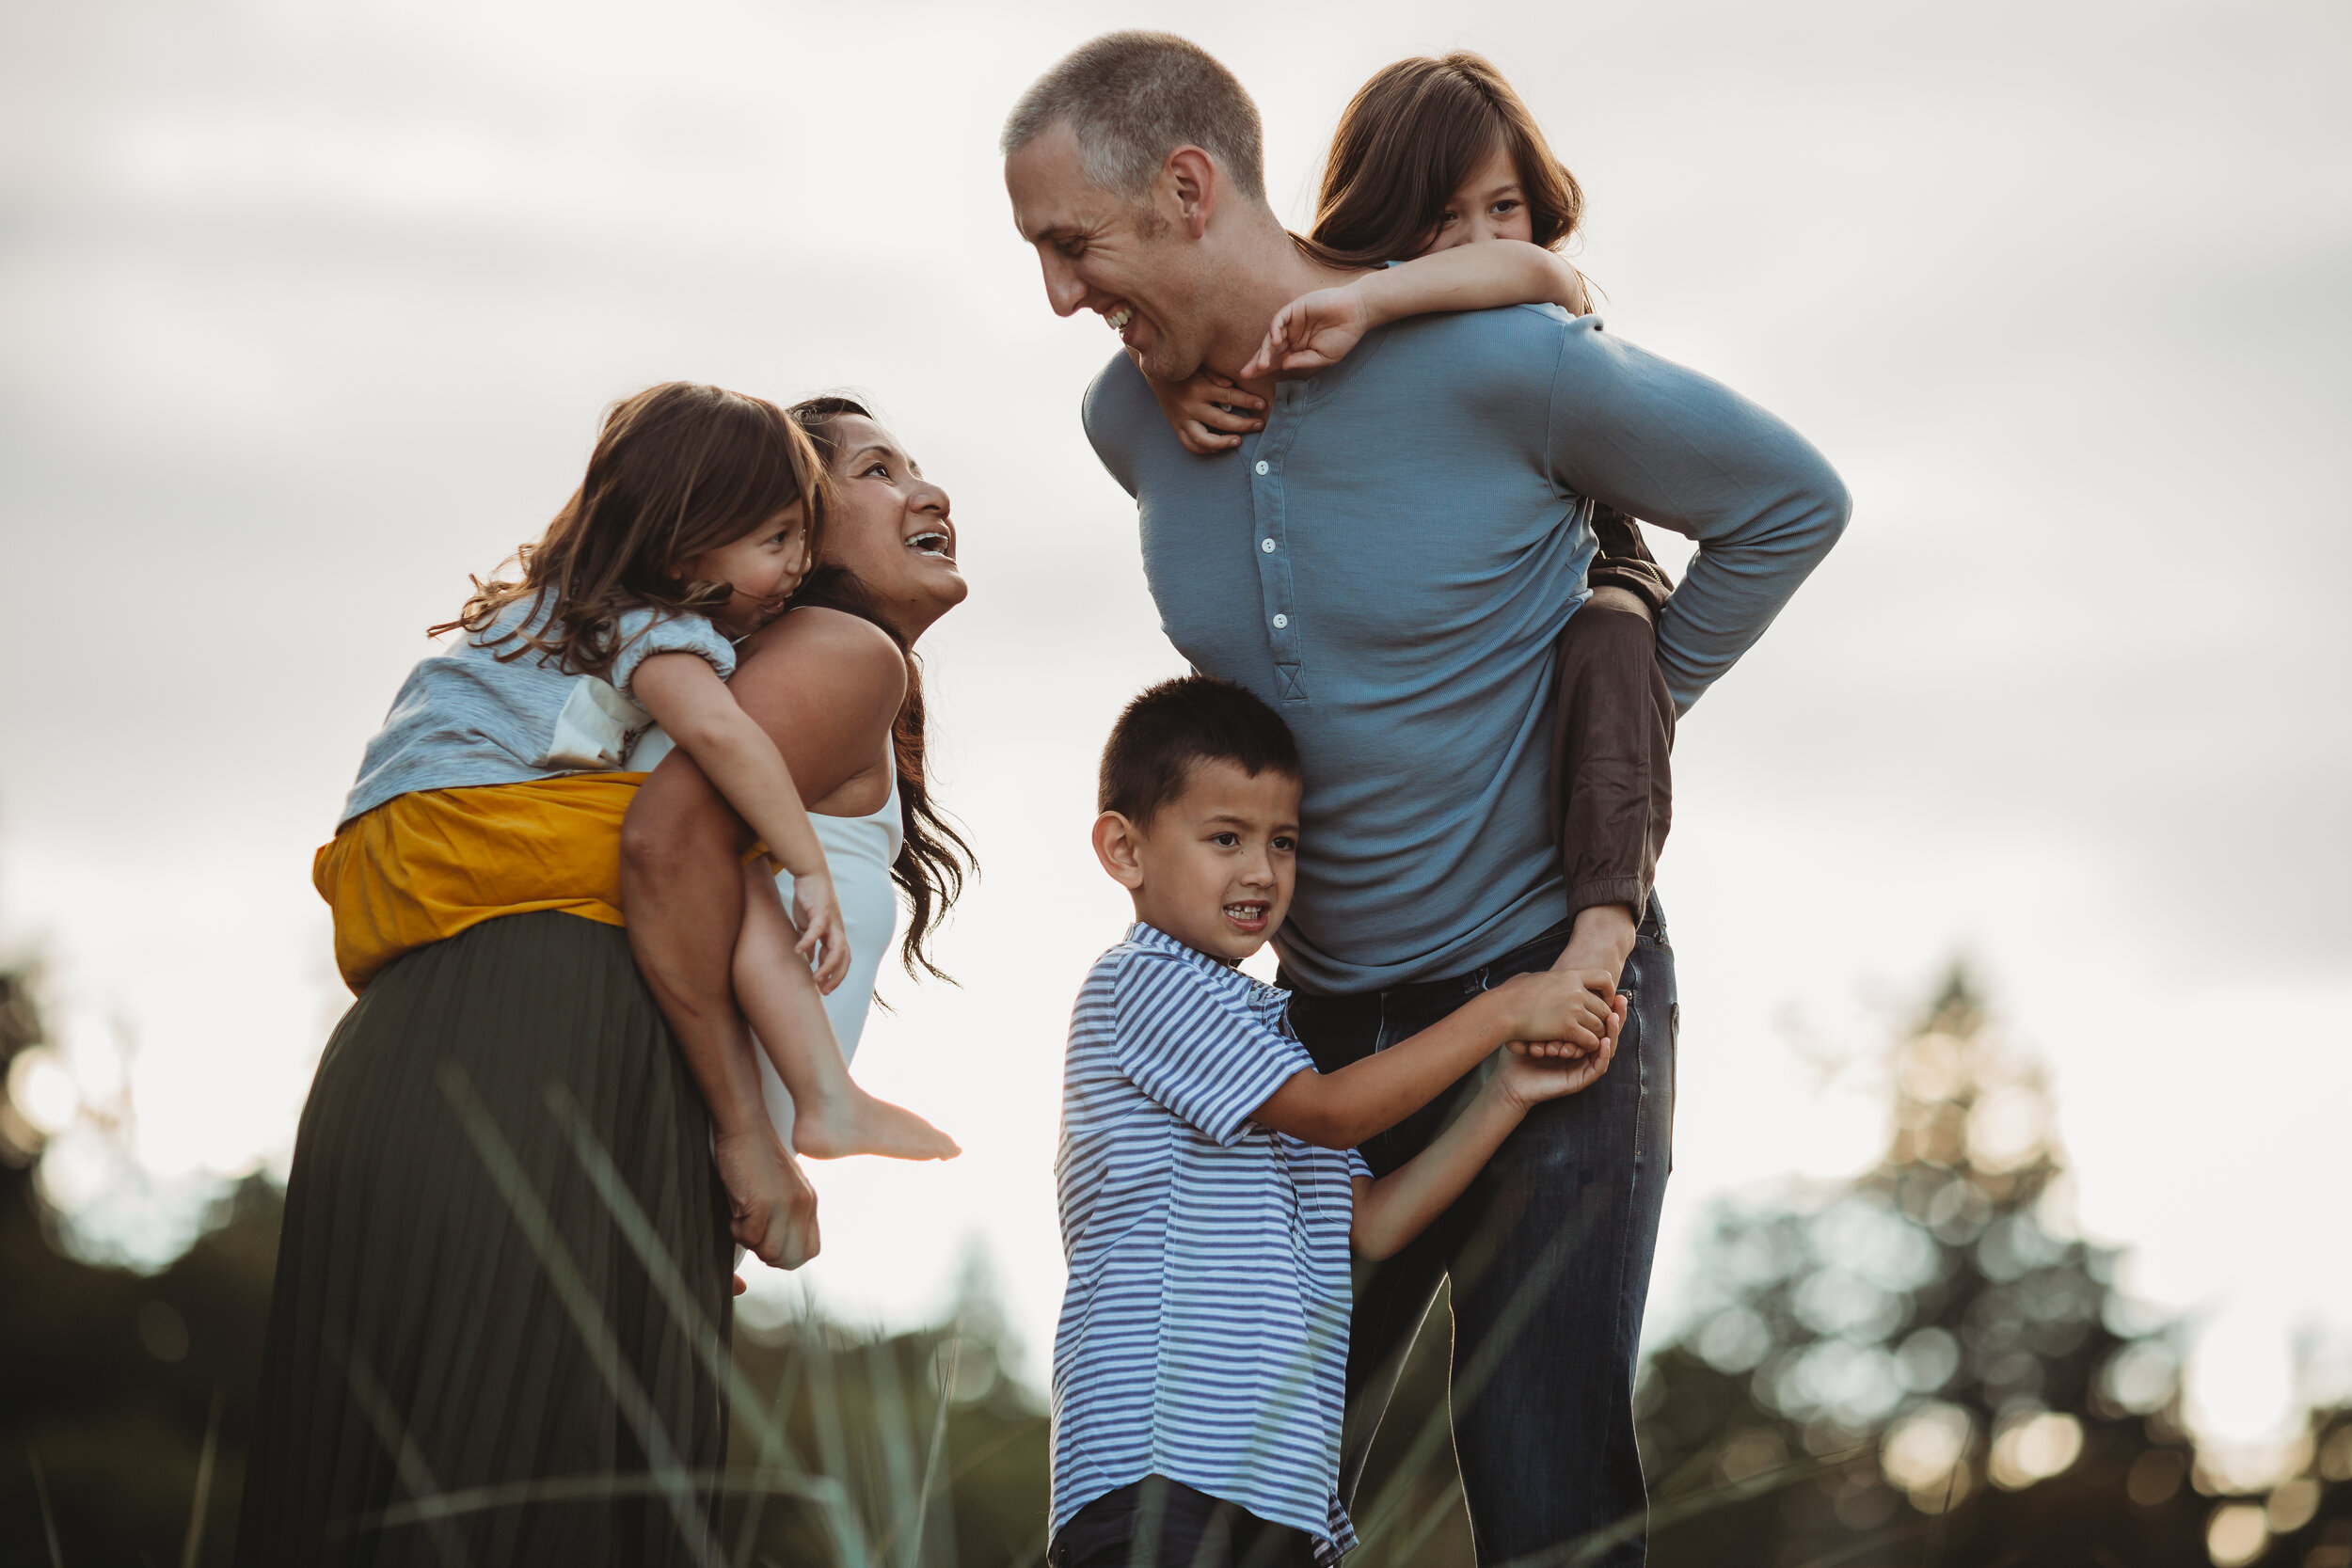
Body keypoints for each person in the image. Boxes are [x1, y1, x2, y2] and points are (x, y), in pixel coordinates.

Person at [1004, 34, 1850, 1565]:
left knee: (1535, 1471)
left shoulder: (1495, 363)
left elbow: (1790, 502)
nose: (1060, 295)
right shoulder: (1132, 421)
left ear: (1189, 186)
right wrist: (1163, 353)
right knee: (1243, 1467)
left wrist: (1630, 720)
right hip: (1314, 1024)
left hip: (1554, 983)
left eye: (1075, 246)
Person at [1050, 676, 1622, 1568]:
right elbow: (1330, 1114)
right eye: (1225, 838)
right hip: (1160, 1467)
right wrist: (1506, 1007)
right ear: (1124, 849)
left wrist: (1505, 1091)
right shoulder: (1140, 984)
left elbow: (1374, 1222)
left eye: (1284, 842)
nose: (1261, 872)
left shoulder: (1265, 1037)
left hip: (1273, 1489)